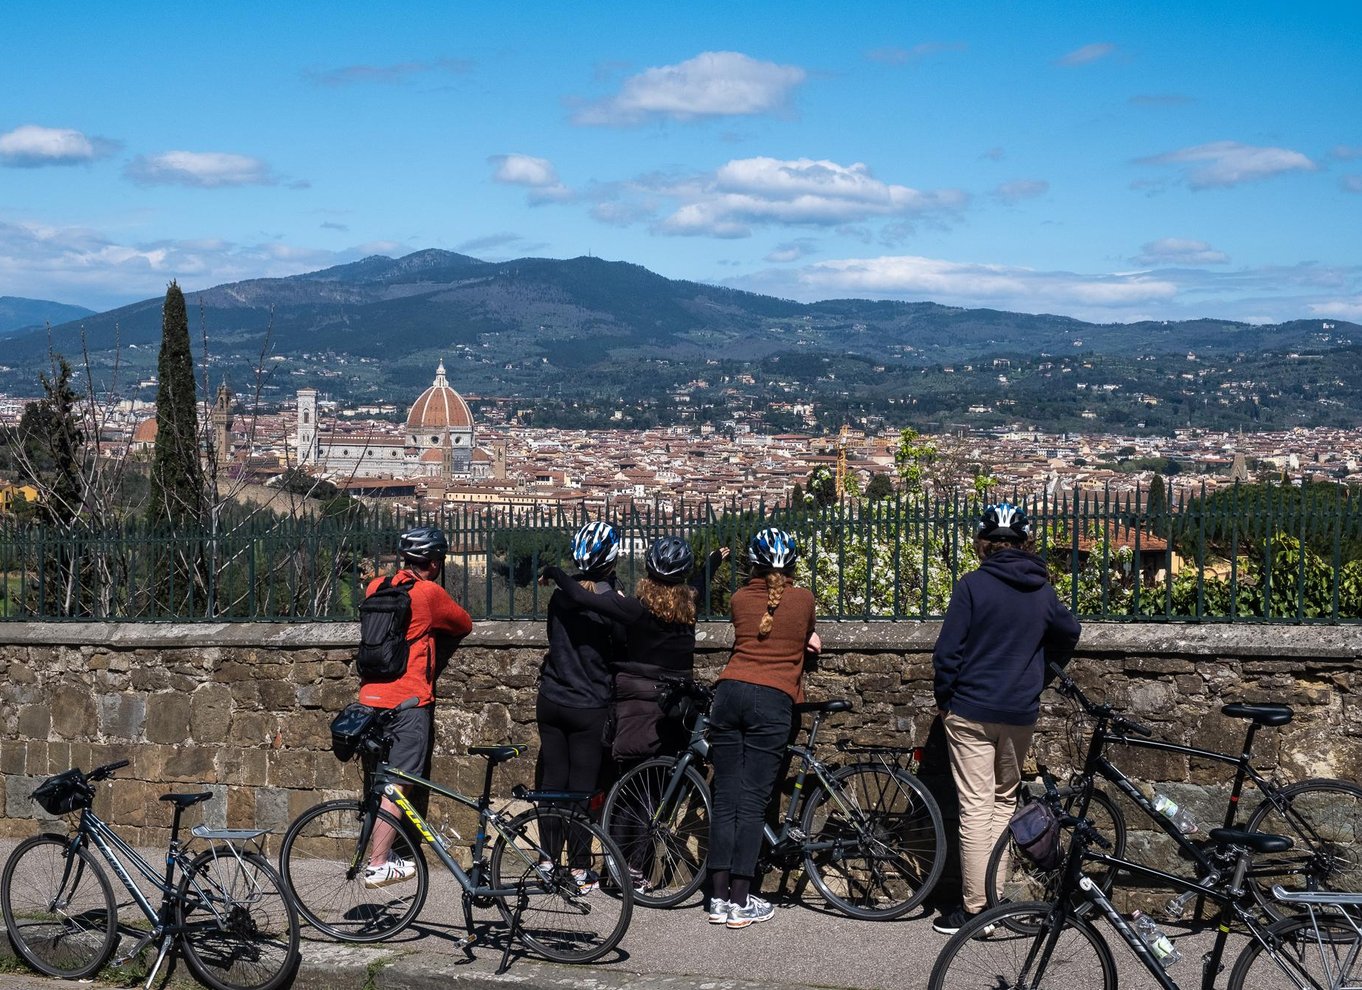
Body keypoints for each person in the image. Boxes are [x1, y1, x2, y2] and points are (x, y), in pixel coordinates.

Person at [931, 502, 1081, 934]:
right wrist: (1040, 672)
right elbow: (1069, 634)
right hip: (1019, 709)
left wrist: (946, 699)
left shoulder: (972, 586)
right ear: (1025, 543)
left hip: (971, 709)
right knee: (1002, 803)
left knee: (975, 807)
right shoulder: (1042, 590)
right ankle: (993, 903)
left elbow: (947, 653)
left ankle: (977, 911)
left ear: (984, 544)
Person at [705, 527, 818, 930]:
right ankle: (742, 899)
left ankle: (717, 899)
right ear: (791, 565)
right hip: (772, 701)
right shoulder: (803, 599)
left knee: (726, 798)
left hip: (730, 692)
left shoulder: (738, 599)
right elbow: (804, 637)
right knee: (753, 803)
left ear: (752, 562)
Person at [540, 535, 727, 762]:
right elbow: (700, 583)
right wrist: (713, 561)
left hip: (639, 691)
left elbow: (580, 595)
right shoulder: (689, 603)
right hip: (679, 693)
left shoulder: (634, 608)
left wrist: (553, 572)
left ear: (649, 571)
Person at [359, 525, 473, 888]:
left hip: (369, 699)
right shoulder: (428, 594)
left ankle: (381, 851)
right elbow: (464, 624)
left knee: (380, 783)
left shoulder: (376, 587)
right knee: (398, 784)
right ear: (435, 564)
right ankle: (378, 862)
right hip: (409, 701)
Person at [535, 520, 625, 890]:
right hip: (589, 704)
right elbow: (622, 649)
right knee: (582, 787)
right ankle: (579, 866)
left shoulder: (561, 598)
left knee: (553, 781)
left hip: (552, 698)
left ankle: (546, 859)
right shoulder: (611, 605)